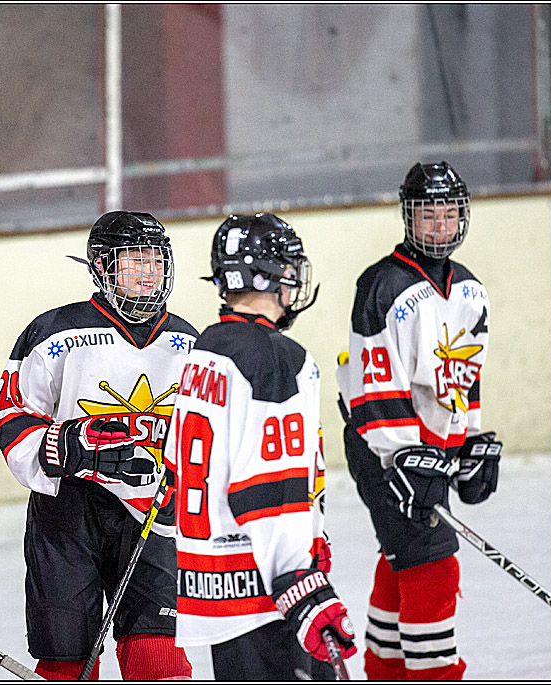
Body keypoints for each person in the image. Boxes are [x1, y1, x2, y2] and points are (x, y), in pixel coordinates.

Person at [0, 210, 197, 680]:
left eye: (155, 261)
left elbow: (203, 432)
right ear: (102, 267)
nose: (148, 272)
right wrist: (66, 446)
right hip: (69, 511)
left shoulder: (188, 342)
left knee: (158, 645)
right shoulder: (55, 333)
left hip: (154, 512)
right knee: (67, 651)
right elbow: (12, 413)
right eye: (133, 261)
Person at [165, 212, 355, 680]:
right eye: (289, 269)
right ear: (271, 277)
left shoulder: (205, 350)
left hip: (212, 587)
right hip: (266, 590)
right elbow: (270, 489)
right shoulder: (277, 359)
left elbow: (177, 470)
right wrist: (299, 579)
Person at [336, 161, 499, 680]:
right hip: (383, 446)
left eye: (448, 214)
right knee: (433, 563)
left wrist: (468, 440)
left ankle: (385, 670)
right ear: (408, 217)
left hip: (433, 449)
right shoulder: (382, 284)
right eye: (428, 215)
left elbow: (465, 375)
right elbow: (374, 383)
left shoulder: (471, 290)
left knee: (402, 555)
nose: (439, 226)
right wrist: (401, 452)